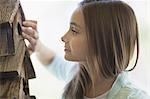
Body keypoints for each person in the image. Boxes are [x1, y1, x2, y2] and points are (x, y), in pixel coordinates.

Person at [22, 0, 150, 99]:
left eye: (74, 31)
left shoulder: (133, 97)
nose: (63, 37)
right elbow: (52, 61)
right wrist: (37, 45)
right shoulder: (75, 74)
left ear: (101, 40)